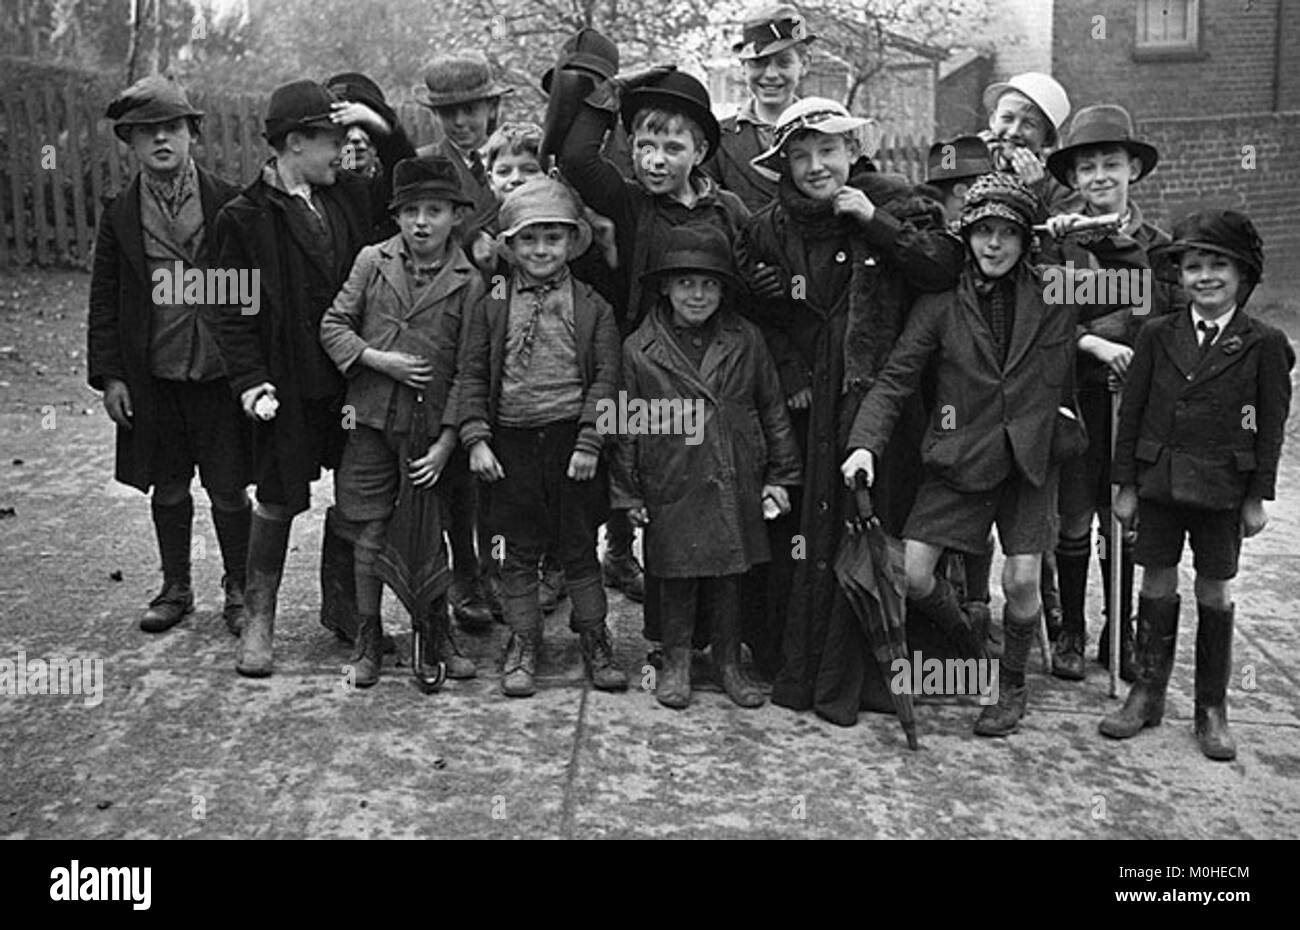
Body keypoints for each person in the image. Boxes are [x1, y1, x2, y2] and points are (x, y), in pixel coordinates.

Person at [736, 97, 962, 717]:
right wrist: (787, 369)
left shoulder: (898, 204)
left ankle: (886, 669)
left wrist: (874, 223)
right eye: (800, 155)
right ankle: (805, 665)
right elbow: (753, 315)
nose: (815, 166)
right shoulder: (768, 227)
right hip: (808, 409)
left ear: (853, 151)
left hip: (884, 401)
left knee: (878, 529)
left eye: (827, 151)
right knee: (806, 537)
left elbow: (944, 271)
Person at [844, 173, 1081, 737]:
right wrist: (863, 445)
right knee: (915, 574)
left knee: (1022, 580)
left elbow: (1136, 293)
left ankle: (1012, 684)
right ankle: (970, 643)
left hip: (1028, 458)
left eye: (1006, 234)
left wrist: (1084, 244)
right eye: (982, 233)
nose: (992, 245)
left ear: (1027, 240)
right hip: (960, 456)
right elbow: (896, 379)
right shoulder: (940, 303)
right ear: (967, 236)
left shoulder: (1057, 288)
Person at [554, 42, 749, 629]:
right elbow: (577, 159)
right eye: (644, 145)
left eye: (672, 147)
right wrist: (610, 95)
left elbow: (752, 280)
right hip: (640, 356)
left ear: (702, 152)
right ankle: (612, 558)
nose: (655, 160)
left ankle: (703, 618)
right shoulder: (630, 200)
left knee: (693, 477)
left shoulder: (729, 210)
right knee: (631, 456)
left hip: (708, 369)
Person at [213, 79, 404, 677]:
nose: (342, 153)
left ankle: (344, 610)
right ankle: (259, 620)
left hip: (350, 380)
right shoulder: (241, 218)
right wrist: (250, 382)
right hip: (285, 387)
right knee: (278, 497)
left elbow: (408, 180)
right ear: (295, 143)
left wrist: (381, 124)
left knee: (357, 494)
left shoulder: (347, 198)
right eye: (332, 141)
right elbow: (226, 311)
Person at [1102, 209, 1293, 761]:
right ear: (1179, 276)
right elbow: (1132, 414)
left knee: (1215, 588)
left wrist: (1257, 495)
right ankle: (1147, 692)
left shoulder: (1263, 343)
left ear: (1243, 275)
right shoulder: (1158, 335)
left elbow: (1270, 426)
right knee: (1155, 581)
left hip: (1222, 489)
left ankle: (1211, 707)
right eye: (1193, 267)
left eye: (1218, 266)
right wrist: (1126, 485)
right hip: (1159, 481)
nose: (1205, 277)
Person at [88, 75, 250, 636]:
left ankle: (240, 588)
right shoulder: (120, 215)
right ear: (129, 143)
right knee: (169, 483)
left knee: (230, 486)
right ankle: (176, 587)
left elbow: (247, 288)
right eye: (147, 131)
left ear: (192, 135)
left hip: (219, 372)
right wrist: (111, 376)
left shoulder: (227, 200)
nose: (162, 139)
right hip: (154, 372)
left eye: (173, 128)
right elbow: (105, 297)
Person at [613, 226, 801, 709]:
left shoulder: (746, 338)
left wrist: (782, 476)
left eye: (709, 285)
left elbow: (773, 408)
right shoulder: (639, 349)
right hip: (671, 473)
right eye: (685, 284)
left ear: (724, 291)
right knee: (675, 572)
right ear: (665, 288)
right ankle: (675, 659)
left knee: (730, 575)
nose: (697, 295)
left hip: (734, 467)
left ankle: (727, 660)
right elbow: (625, 424)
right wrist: (628, 494)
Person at [456, 178, 627, 697]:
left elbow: (606, 377)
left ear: (571, 243)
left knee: (578, 548)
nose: (541, 250)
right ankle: (523, 642)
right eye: (528, 239)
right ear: (509, 246)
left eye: (553, 238)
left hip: (570, 444)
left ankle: (595, 639)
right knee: (519, 551)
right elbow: (471, 371)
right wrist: (476, 437)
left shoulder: (591, 304)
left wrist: (590, 441)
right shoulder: (493, 299)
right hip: (510, 443)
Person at [319, 155, 484, 687]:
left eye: (434, 210)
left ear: (455, 216)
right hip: (369, 420)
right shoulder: (372, 261)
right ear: (396, 216)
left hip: (429, 430)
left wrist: (447, 442)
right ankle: (369, 638)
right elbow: (333, 323)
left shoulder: (470, 280)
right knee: (367, 529)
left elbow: (469, 370)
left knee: (425, 534)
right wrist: (375, 359)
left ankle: (435, 634)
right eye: (410, 210)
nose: (421, 223)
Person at [1040, 104, 1176, 682]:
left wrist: (1134, 346)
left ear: (1132, 171)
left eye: (1111, 164)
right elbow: (1040, 320)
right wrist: (1092, 343)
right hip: (1074, 391)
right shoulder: (1057, 241)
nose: (1099, 177)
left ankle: (1115, 630)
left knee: (1116, 517)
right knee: (1072, 513)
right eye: (1087, 167)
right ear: (1072, 179)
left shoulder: (1159, 243)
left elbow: (1164, 316)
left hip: (1133, 398)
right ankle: (1071, 627)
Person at [415, 53, 515, 630]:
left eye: (470, 110)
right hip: (452, 325)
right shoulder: (425, 166)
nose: (460, 124)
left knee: (503, 458)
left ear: (493, 108)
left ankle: (502, 573)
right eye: (448, 112)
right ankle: (464, 577)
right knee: (456, 458)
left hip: (512, 324)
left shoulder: (517, 160)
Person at [704, 4, 815, 212]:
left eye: (783, 62)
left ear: (805, 64)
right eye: (759, 62)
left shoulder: (826, 129)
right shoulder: (716, 139)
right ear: (743, 68)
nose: (771, 74)